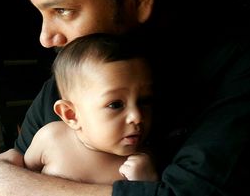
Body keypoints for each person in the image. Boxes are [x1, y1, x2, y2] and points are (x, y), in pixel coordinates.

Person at [0, 0, 250, 196]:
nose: (46, 38)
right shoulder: (68, 83)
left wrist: (4, 182)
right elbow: (5, 175)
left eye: (63, 11)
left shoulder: (235, 67)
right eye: (42, 13)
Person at [24, 33, 158, 184]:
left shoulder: (142, 162)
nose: (137, 116)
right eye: (115, 105)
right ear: (71, 114)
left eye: (144, 101)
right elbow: (19, 180)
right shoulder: (50, 138)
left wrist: (148, 182)